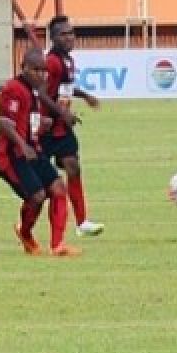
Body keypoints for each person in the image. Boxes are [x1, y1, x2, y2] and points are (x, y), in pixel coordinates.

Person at [0, 49, 80, 257]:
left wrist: (44, 124)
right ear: (23, 68)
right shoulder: (13, 88)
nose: (41, 75)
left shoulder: (34, 92)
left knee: (59, 188)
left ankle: (58, 245)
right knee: (38, 196)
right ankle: (25, 233)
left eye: (44, 71)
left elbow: (27, 121)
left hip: (33, 152)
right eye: (36, 70)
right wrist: (22, 145)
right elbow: (4, 123)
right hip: (13, 156)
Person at [43, 15, 105, 237]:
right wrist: (62, 113)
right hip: (44, 127)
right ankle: (2, 153)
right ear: (53, 38)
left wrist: (85, 95)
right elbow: (41, 93)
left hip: (62, 125)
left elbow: (65, 88)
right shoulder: (50, 63)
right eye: (64, 34)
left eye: (71, 33)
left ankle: (82, 223)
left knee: (73, 166)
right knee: (39, 184)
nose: (70, 37)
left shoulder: (67, 60)